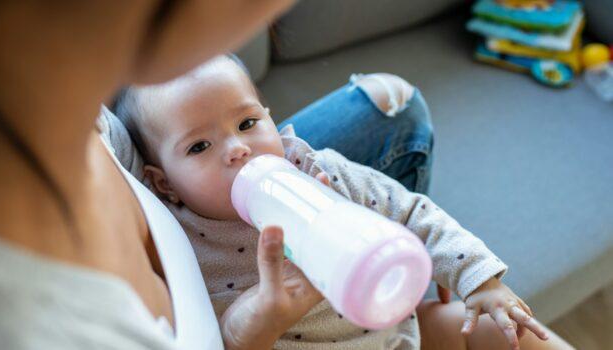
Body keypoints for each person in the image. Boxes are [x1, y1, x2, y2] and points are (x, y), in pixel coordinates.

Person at [112, 55, 573, 350]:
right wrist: (255, 321)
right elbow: (215, 338)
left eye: (248, 123)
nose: (237, 148)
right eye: (199, 147)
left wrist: (480, 280)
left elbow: (409, 211)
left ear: (272, 120)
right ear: (163, 184)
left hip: (397, 333)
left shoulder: (319, 172)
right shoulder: (185, 245)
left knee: (511, 334)